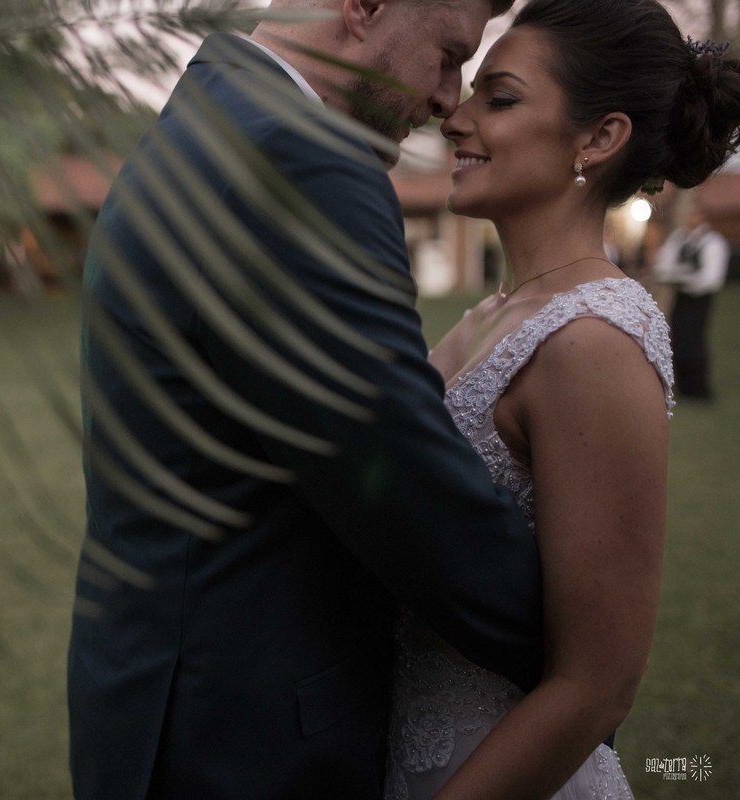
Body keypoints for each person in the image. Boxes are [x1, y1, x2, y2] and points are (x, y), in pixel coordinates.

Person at [68, 2, 548, 798]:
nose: (447, 97)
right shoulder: (301, 160)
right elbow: (403, 484)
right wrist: (584, 661)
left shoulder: (212, 118)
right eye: (448, 54)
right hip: (242, 741)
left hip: (156, 696)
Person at [385, 1, 740, 797]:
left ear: (598, 138)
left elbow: (599, 683)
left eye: (500, 98)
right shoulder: (488, 315)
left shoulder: (595, 341)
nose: (455, 118)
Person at [654, 198, 731, 399]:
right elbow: (662, 264)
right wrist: (680, 275)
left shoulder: (713, 242)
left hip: (699, 299)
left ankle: (698, 388)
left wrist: (680, 276)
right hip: (681, 295)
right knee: (678, 337)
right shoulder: (680, 239)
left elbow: (710, 278)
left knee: (694, 339)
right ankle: (682, 386)